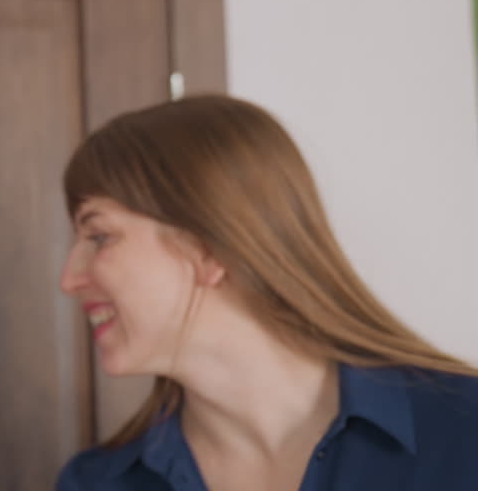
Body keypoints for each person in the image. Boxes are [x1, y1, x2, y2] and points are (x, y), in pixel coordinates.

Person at [56, 95, 478, 491]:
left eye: (99, 236)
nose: (69, 280)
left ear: (208, 247)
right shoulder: (95, 483)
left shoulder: (464, 429)